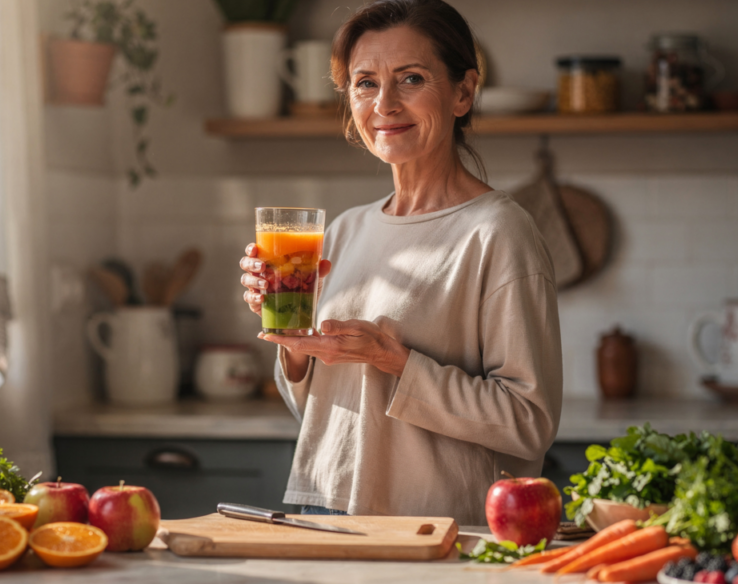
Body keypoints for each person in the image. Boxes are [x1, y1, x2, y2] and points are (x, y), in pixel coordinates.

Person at [238, 0, 561, 526]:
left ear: (463, 92)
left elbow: (528, 422)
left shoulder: (499, 233)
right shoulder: (343, 230)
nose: (384, 103)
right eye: (365, 83)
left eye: (410, 78)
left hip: (429, 527)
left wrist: (395, 361)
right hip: (320, 509)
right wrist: (295, 348)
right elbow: (323, 414)